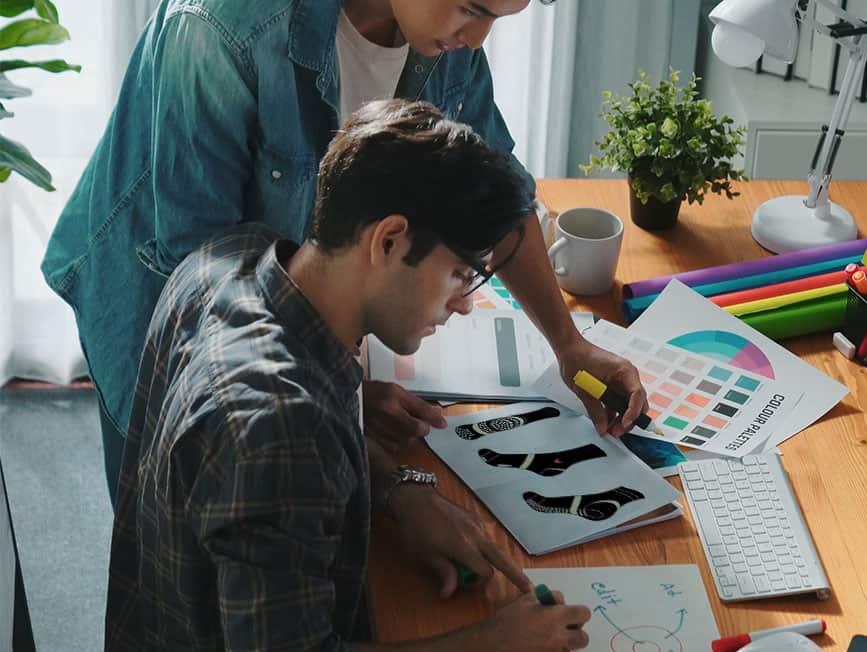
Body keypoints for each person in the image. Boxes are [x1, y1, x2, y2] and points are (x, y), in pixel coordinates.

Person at [42, 0, 648, 508]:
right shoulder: (217, 30)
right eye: (472, 7)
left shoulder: (444, 40)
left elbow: (498, 197)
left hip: (288, 321)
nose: (478, 38)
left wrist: (572, 348)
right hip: (158, 302)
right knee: (169, 544)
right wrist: (344, 401)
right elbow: (208, 284)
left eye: (499, 16)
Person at [104, 99, 591, 652]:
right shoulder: (284, 427)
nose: (463, 304)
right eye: (461, 273)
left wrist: (392, 489)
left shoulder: (229, 258)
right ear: (388, 241)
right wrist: (490, 646)